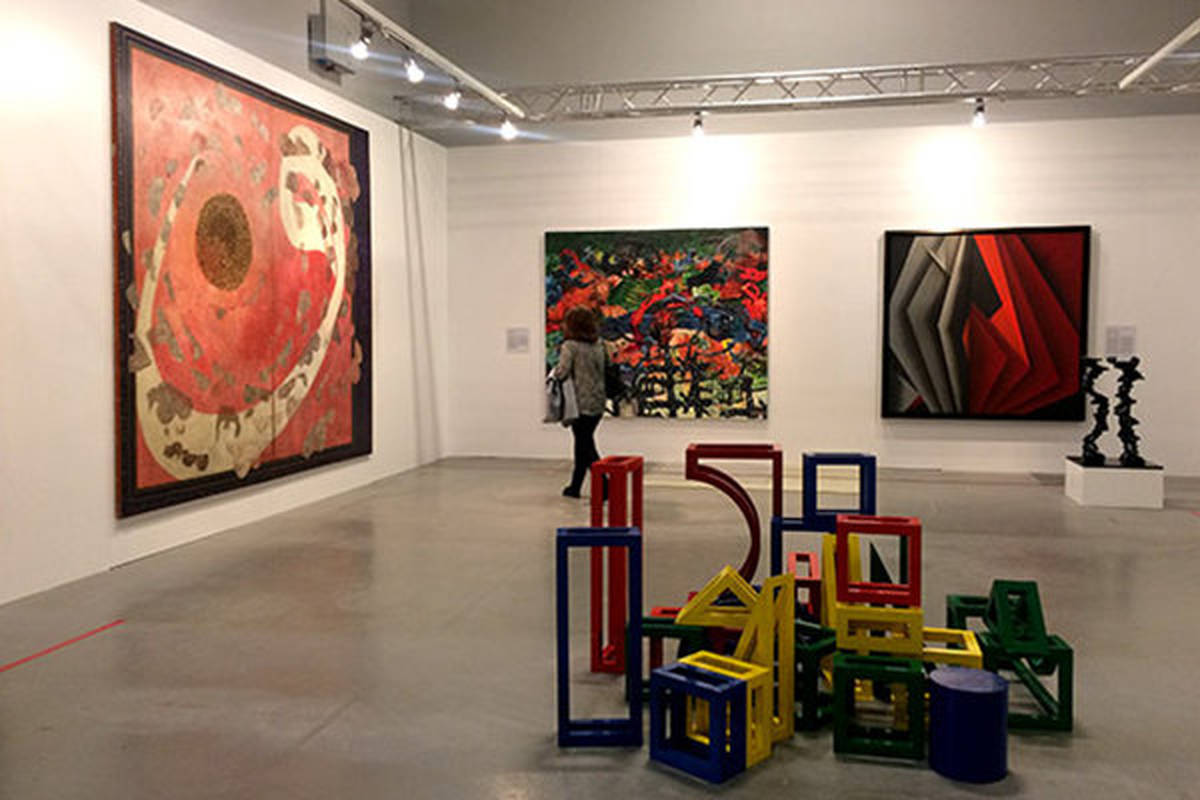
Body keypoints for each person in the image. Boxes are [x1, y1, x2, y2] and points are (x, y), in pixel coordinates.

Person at [553, 306, 607, 498]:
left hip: (579, 403)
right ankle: (576, 486)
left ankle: (604, 484)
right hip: (597, 401)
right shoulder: (599, 345)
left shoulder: (570, 346)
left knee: (585, 446)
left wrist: (553, 372)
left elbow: (562, 372)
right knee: (584, 444)